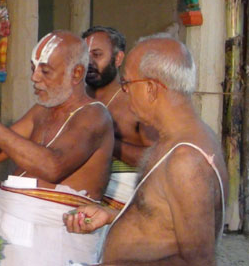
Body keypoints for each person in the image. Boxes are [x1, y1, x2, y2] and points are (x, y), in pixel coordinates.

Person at [64, 35, 228, 266]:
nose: (124, 92)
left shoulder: (186, 159)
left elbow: (198, 261)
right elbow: (166, 221)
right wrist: (112, 217)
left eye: (127, 83)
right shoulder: (177, 140)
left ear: (151, 88)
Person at [0, 30, 114, 265]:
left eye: (45, 71)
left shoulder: (95, 115)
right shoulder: (42, 110)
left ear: (77, 73)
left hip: (58, 245)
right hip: (11, 233)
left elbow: (54, 167)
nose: (34, 78)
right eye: (33, 68)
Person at [82, 26, 157, 208]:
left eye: (97, 55)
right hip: (79, 202)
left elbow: (156, 159)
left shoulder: (135, 102)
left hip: (124, 209)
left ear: (118, 58)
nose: (89, 62)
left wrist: (105, 143)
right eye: (84, 55)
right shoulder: (73, 99)